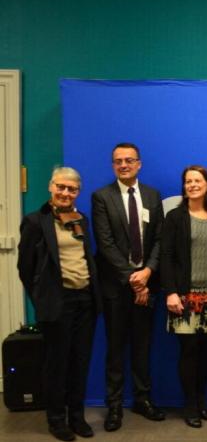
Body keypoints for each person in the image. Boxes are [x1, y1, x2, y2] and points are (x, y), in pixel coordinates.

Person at [18, 167, 102, 441]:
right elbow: (25, 269)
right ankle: (56, 419)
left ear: (78, 192)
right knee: (57, 364)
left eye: (72, 189)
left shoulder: (82, 219)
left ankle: (76, 417)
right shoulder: (34, 222)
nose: (66, 193)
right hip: (57, 304)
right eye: (61, 187)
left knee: (80, 361)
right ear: (51, 187)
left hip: (85, 301)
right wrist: (42, 299)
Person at [92, 142, 165, 431]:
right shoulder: (102, 197)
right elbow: (105, 244)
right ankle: (114, 406)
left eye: (129, 160)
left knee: (143, 346)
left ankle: (143, 400)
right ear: (113, 166)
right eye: (118, 161)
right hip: (117, 287)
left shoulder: (151, 195)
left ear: (139, 164)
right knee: (115, 348)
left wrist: (147, 272)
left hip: (147, 283)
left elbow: (159, 239)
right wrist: (133, 279)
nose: (123, 165)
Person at [161, 166, 207, 428]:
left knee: (204, 351)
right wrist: (171, 292)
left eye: (197, 180)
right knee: (188, 352)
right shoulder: (175, 217)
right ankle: (189, 404)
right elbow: (166, 257)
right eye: (188, 181)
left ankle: (202, 401)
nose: (192, 185)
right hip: (184, 296)